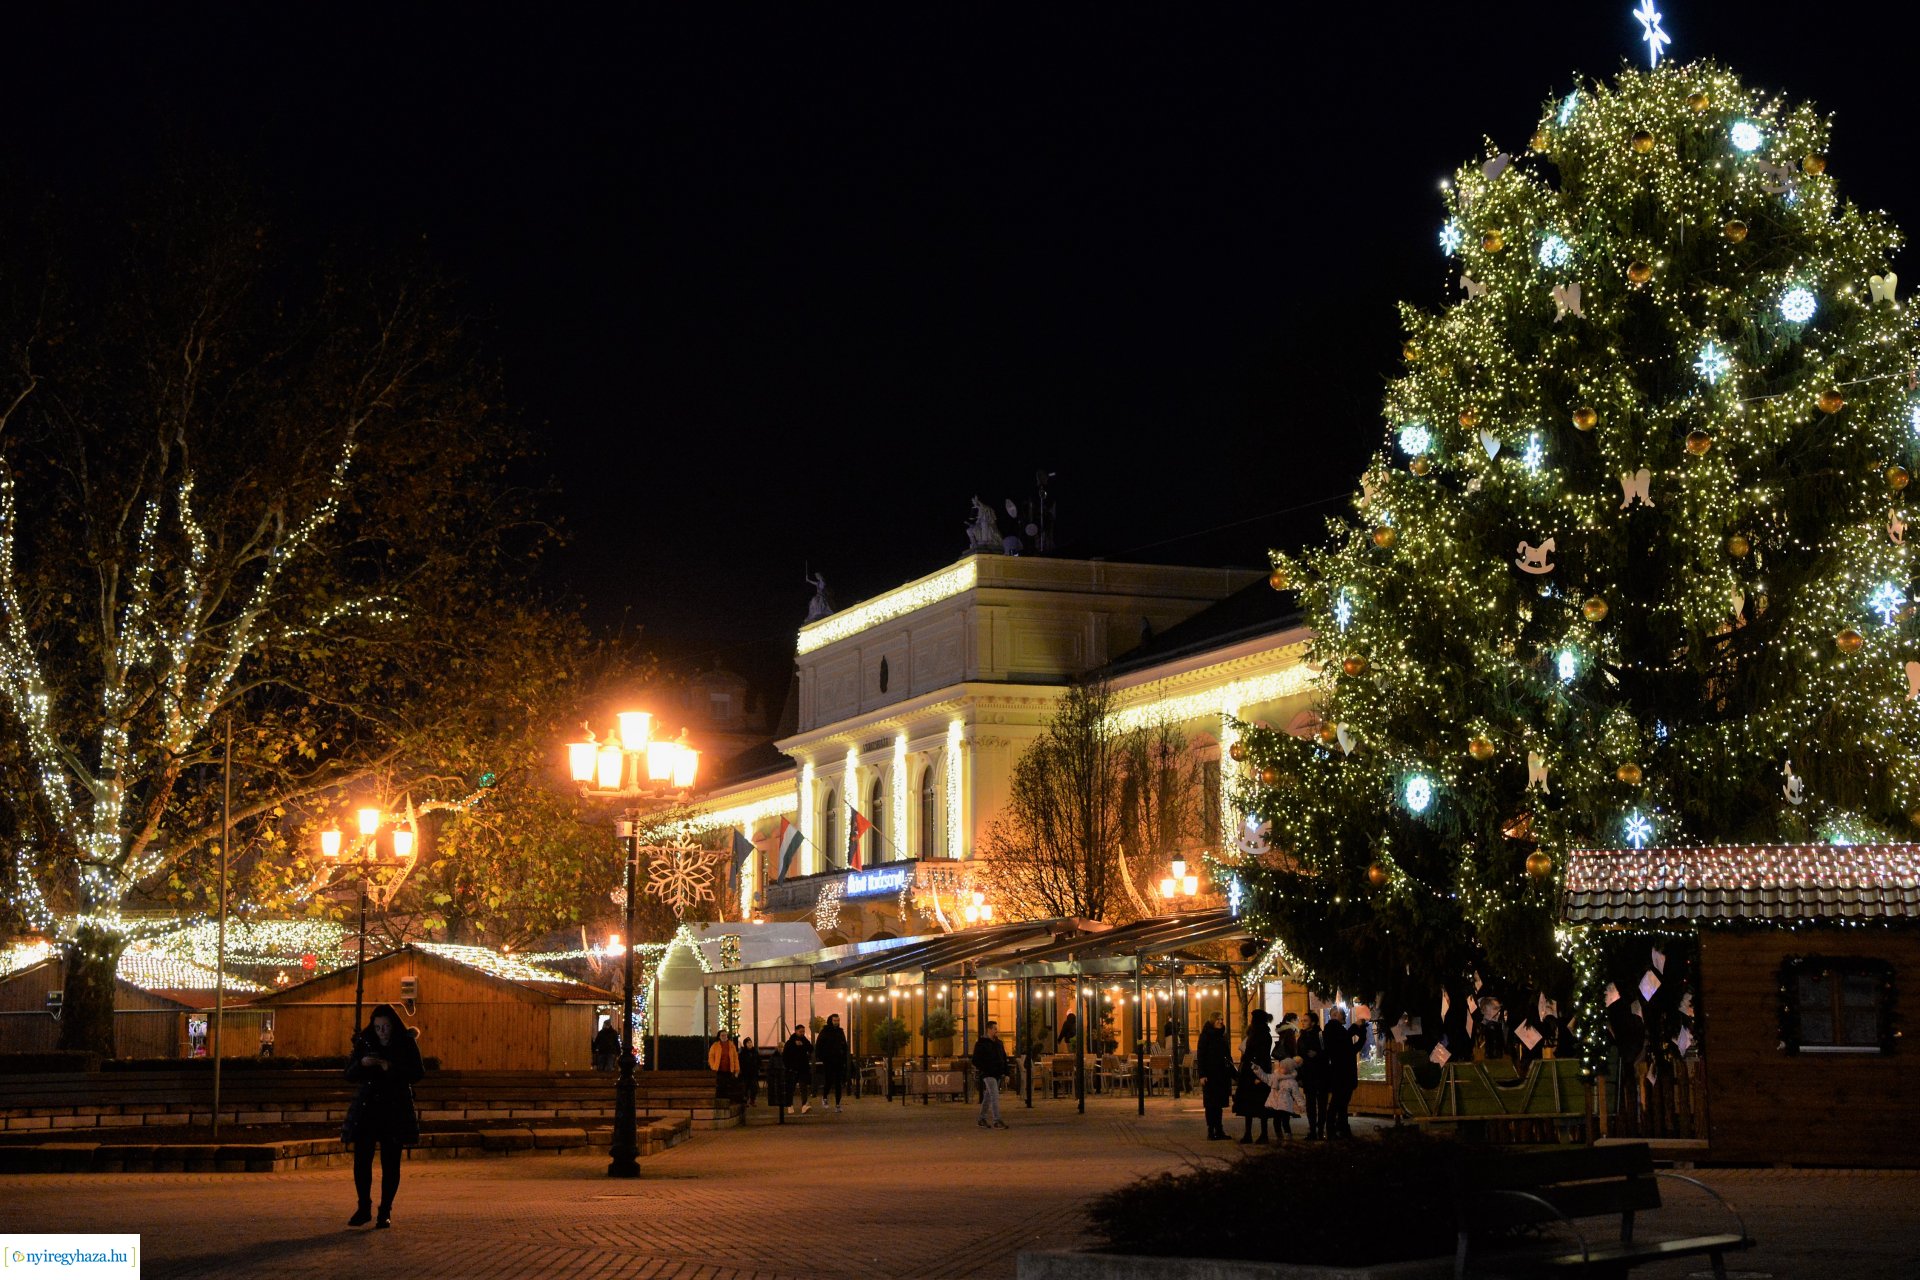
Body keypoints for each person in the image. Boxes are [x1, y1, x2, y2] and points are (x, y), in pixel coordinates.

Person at [344, 1003, 424, 1229]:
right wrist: (361, 1063)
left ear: (393, 1025)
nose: (382, 1032)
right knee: (362, 1160)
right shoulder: (365, 1042)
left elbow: (418, 1073)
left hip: (394, 1108)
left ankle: (385, 1210)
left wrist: (391, 1067)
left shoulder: (406, 1043)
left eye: (386, 1027)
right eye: (378, 1027)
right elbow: (348, 1074)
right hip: (368, 1108)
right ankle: (363, 1207)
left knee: (391, 1162)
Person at [1232, 1008, 1274, 1144]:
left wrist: (1259, 1076)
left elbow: (1262, 1056)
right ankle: (1248, 1133)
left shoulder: (1262, 1035)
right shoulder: (1255, 1033)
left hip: (1256, 1073)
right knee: (1249, 1104)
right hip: (1250, 1073)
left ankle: (1263, 1134)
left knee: (1260, 1104)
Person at [1195, 1010, 1233, 1140]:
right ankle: (1211, 1130)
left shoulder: (1222, 1035)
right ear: (1212, 1021)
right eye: (1218, 1019)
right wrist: (1202, 1074)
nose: (1221, 1022)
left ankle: (1219, 1129)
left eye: (1222, 1019)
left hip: (1221, 1075)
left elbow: (1227, 1055)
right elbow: (1201, 1056)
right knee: (1211, 1105)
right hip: (1210, 1076)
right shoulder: (1206, 1036)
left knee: (1219, 1104)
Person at [1323, 1005, 1359, 1139]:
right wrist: (1354, 1028)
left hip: (1343, 1072)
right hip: (1341, 1072)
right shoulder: (1333, 1029)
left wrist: (1360, 1036)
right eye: (1342, 1013)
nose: (1345, 1016)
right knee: (1338, 1102)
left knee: (1342, 1102)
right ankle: (1333, 1129)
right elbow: (1343, 1046)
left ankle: (1342, 1128)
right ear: (1335, 1015)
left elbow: (1349, 1050)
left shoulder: (1338, 1030)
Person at [1254, 1054, 1306, 1138]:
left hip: (1285, 1106)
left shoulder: (1291, 1081)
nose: (1281, 1069)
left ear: (1289, 1069)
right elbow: (1265, 1077)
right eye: (1281, 1067)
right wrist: (1257, 1070)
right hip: (1274, 1104)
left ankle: (1288, 1136)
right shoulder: (1275, 1077)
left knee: (1285, 1122)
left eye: (1284, 1068)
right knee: (1276, 1121)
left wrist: (1301, 1105)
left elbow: (1297, 1094)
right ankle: (1280, 1137)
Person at [971, 1019, 1010, 1128]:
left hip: (997, 1074)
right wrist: (985, 1069)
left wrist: (1006, 1073)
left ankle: (981, 1118)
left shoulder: (998, 1043)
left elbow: (1003, 1058)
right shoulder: (981, 1043)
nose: (996, 1031)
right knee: (994, 1095)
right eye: (995, 1029)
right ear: (989, 1029)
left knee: (988, 1096)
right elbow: (975, 1060)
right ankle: (997, 1120)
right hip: (988, 1074)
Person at [1297, 1011, 1329, 1140]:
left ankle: (1320, 1130)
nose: (1303, 1023)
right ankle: (1312, 1130)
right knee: (1310, 1104)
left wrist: (1318, 1055)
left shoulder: (1321, 1035)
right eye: (1302, 1020)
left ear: (1313, 1022)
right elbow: (1299, 1054)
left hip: (1320, 1074)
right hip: (1308, 1074)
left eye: (1306, 1020)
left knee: (1321, 1104)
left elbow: (1327, 1053)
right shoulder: (1302, 1036)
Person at [815, 1013, 850, 1112]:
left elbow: (844, 1045)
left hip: (838, 1061)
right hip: (829, 1061)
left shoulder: (840, 1031)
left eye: (838, 1020)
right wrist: (822, 1057)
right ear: (831, 1020)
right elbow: (819, 1045)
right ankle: (825, 1097)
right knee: (829, 1080)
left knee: (838, 1083)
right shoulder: (825, 1031)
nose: (836, 1022)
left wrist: (844, 1057)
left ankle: (838, 1104)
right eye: (835, 1020)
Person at [782, 1027, 814, 1115]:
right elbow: (785, 1056)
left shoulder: (805, 1041)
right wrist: (788, 1067)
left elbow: (811, 1048)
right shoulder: (790, 1042)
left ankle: (804, 1105)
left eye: (803, 1031)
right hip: (793, 1068)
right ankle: (790, 1105)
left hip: (803, 1068)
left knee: (803, 1087)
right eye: (800, 1031)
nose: (802, 1033)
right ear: (796, 1031)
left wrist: (803, 1045)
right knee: (791, 1087)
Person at [707, 1029, 740, 1099]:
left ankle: (727, 1103)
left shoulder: (731, 1045)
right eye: (722, 1035)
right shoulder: (715, 1045)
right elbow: (711, 1057)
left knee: (729, 1088)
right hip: (719, 1070)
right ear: (719, 1036)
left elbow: (735, 1058)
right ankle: (720, 1104)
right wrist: (713, 1066)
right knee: (720, 1087)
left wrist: (737, 1070)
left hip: (729, 1070)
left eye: (725, 1035)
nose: (724, 1036)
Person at [739, 1036, 761, 1106]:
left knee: (754, 1087)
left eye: (750, 1042)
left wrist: (758, 1068)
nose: (750, 1044)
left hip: (753, 1073)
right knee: (746, 1088)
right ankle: (746, 1100)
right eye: (748, 1043)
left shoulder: (755, 1052)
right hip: (745, 1073)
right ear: (745, 1044)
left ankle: (752, 1100)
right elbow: (741, 1062)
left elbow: (759, 1061)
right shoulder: (742, 1053)